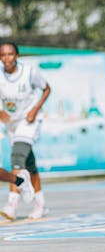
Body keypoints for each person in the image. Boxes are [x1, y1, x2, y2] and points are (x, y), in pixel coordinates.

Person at [0, 42, 51, 220]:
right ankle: (41, 204)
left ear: (17, 56)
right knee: (29, 164)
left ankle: (11, 205)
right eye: (3, 55)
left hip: (29, 121)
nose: (7, 58)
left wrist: (35, 110)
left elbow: (46, 88)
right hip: (12, 124)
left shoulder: (29, 72)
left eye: (10, 54)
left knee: (17, 157)